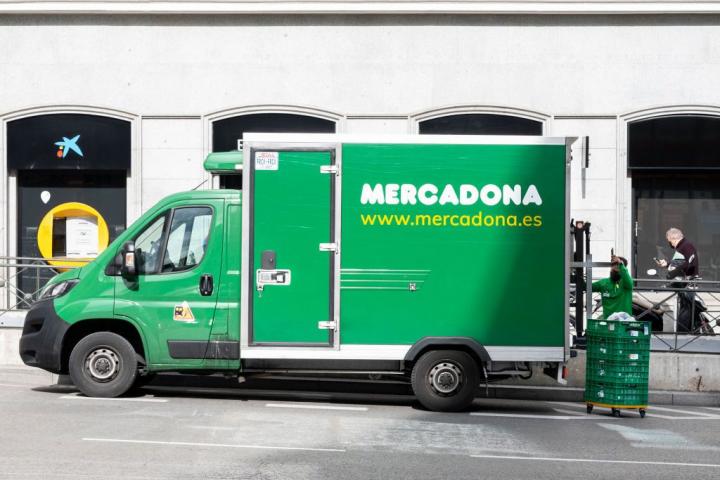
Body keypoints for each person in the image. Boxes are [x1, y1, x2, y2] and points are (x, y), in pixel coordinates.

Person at [656, 228, 701, 332]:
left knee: (686, 310)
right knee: (686, 308)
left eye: (669, 241)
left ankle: (682, 333)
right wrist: (667, 264)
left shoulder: (686, 246)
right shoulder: (683, 246)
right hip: (685, 283)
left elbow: (688, 264)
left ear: (673, 238)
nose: (670, 243)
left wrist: (673, 271)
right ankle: (684, 332)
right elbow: (681, 263)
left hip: (687, 283)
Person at [592, 255, 633, 319]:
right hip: (608, 321)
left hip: (624, 321)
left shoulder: (626, 283)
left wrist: (621, 264)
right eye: (613, 265)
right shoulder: (604, 283)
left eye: (618, 265)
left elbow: (629, 282)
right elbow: (585, 287)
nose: (615, 268)